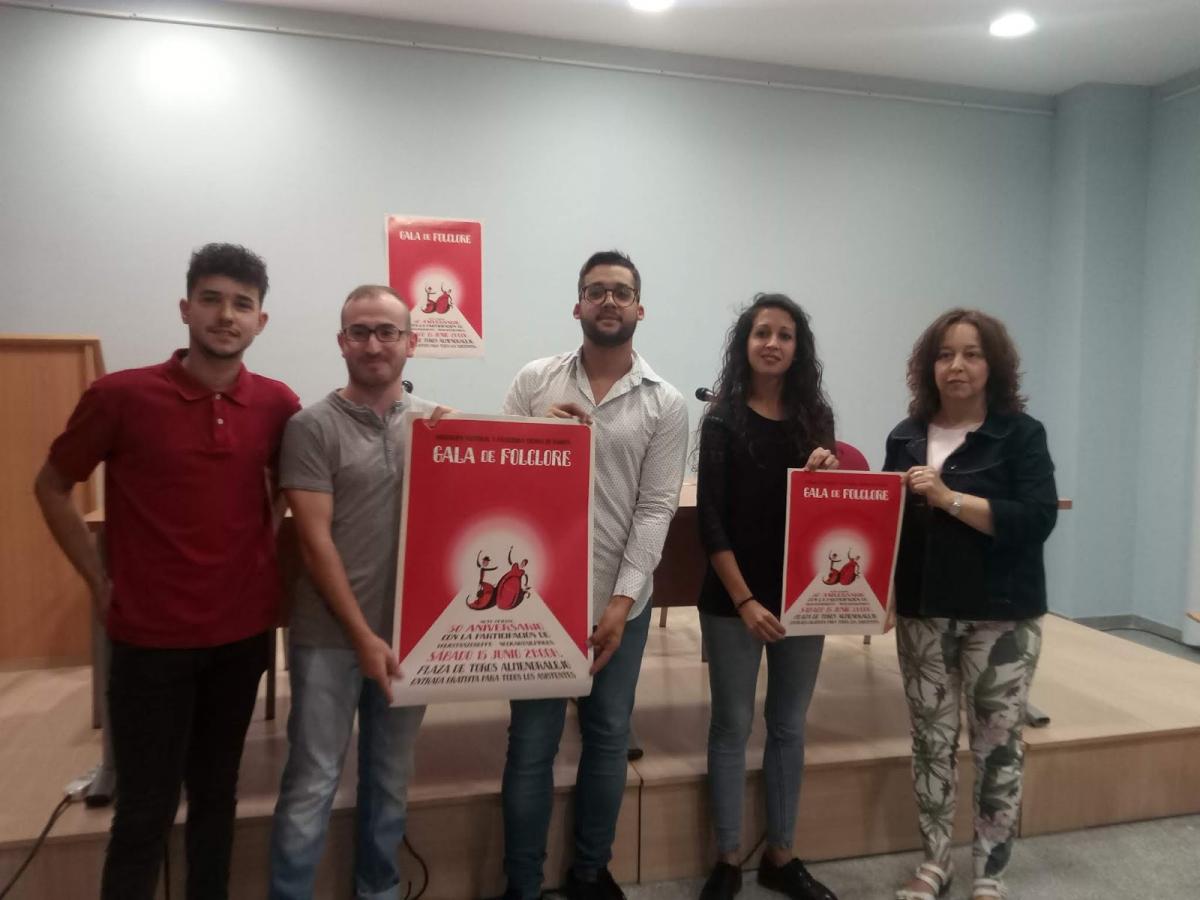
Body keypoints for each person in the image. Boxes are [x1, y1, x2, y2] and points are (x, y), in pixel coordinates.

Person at [33, 243, 300, 900]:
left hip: (240, 640)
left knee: (217, 798)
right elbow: (52, 485)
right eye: (211, 299)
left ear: (261, 321)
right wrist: (98, 583)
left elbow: (286, 493)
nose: (226, 315)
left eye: (243, 304)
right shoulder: (120, 395)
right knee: (144, 811)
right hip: (148, 642)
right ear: (186, 308)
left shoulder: (277, 404)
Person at [492, 250, 689, 900]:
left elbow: (657, 506)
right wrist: (530, 438)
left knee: (607, 741)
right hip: (537, 602)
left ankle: (588, 872)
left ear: (639, 309)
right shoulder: (535, 381)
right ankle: (522, 884)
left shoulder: (666, 403)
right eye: (596, 291)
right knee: (531, 747)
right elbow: (493, 485)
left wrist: (622, 599)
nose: (609, 301)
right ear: (577, 305)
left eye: (621, 292)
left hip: (619, 606)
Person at [268, 285, 447, 899]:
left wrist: (555, 431)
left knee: (390, 780)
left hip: (411, 638)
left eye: (388, 332)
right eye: (361, 332)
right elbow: (315, 545)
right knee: (312, 781)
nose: (374, 344)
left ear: (411, 342)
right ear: (342, 341)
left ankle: (379, 890)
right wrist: (363, 636)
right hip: (329, 639)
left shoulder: (438, 425)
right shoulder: (310, 427)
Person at [885, 309, 1057, 900]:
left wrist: (950, 498)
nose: (957, 366)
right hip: (924, 614)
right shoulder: (905, 436)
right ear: (928, 365)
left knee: (997, 746)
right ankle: (935, 862)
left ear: (994, 366)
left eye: (972, 354)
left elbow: (1035, 520)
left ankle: (989, 869)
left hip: (1002, 616)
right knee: (930, 741)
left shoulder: (1021, 434)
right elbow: (886, 526)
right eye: (945, 354)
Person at [694, 294, 840, 900]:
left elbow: (825, 514)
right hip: (734, 600)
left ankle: (780, 853)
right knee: (731, 725)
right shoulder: (722, 417)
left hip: (806, 598)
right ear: (745, 343)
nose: (772, 343)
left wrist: (828, 473)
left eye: (784, 334)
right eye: (761, 333)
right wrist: (748, 601)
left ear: (797, 348)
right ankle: (727, 857)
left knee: (787, 725)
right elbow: (710, 519)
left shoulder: (816, 417)